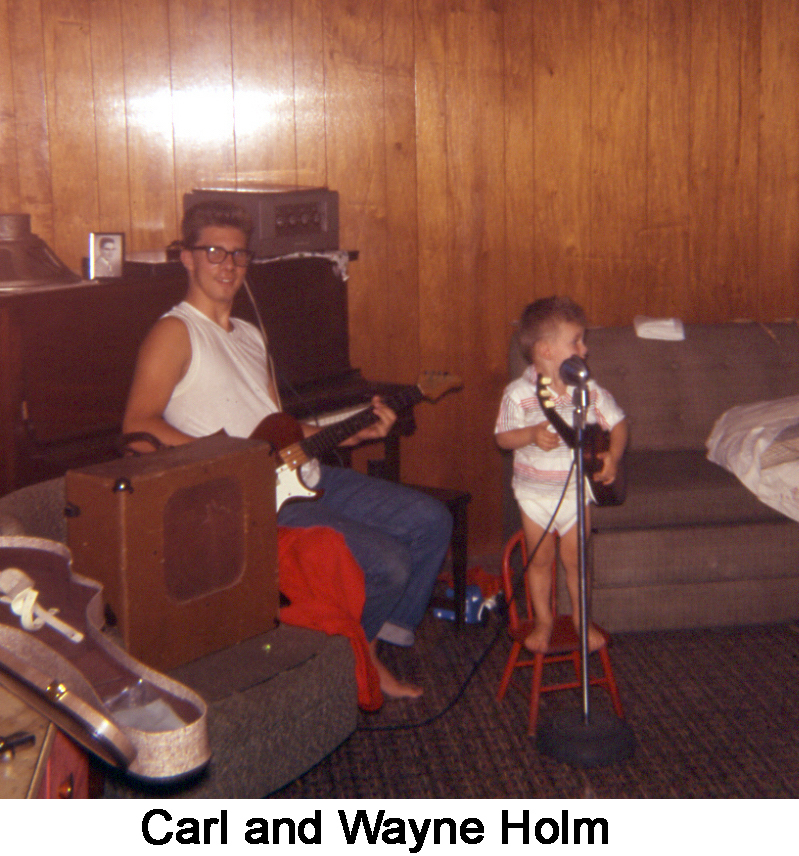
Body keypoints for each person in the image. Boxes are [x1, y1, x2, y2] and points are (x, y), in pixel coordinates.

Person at [122, 200, 452, 698]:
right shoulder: (176, 331)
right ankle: (360, 662)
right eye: (214, 252)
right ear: (187, 258)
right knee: (387, 562)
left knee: (431, 521)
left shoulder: (252, 335)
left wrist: (353, 430)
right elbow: (137, 426)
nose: (228, 265)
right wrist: (233, 456)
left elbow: (280, 426)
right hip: (254, 499)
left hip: (305, 475)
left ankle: (367, 649)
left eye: (238, 255)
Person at [495, 297, 627, 654]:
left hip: (574, 496)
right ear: (545, 349)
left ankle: (581, 622)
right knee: (539, 561)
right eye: (577, 341)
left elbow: (618, 423)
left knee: (576, 562)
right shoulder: (518, 394)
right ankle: (543, 620)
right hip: (535, 496)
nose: (584, 349)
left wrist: (612, 456)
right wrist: (530, 435)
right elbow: (503, 437)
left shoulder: (588, 391)